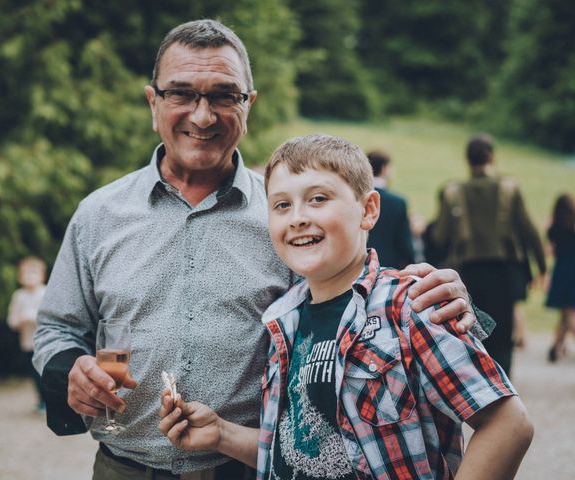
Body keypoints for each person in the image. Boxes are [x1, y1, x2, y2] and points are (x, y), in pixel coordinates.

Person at [33, 20, 491, 479]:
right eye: (181, 93)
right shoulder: (99, 213)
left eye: (223, 95)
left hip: (247, 467)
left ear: (248, 105)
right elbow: (58, 326)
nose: (202, 115)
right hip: (122, 468)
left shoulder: (283, 219)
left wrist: (443, 297)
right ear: (153, 102)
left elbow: (355, 298)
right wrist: (70, 370)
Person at [158, 134, 533, 480]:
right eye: (282, 205)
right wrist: (221, 434)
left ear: (368, 210)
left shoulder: (410, 305)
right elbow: (296, 452)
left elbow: (508, 425)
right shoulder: (282, 324)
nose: (299, 217)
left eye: (318, 198)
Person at [430, 134, 546, 375]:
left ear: (467, 159)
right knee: (503, 331)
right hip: (504, 271)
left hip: (468, 273)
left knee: (473, 327)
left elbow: (440, 236)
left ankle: (480, 381)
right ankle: (505, 382)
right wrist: (542, 267)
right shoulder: (508, 188)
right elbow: (529, 230)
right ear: (491, 156)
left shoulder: (453, 192)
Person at [7, 256, 47, 412]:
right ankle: (42, 400)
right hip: (28, 343)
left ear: (42, 276)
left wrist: (29, 316)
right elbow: (12, 319)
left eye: (34, 273)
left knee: (47, 372)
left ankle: (52, 399)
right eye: (26, 273)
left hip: (45, 342)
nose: (30, 277)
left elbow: (48, 316)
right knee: (35, 374)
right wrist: (18, 321)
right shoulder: (18, 296)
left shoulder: (45, 293)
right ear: (20, 276)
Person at [366, 150, 415, 269]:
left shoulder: (357, 199)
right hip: (389, 268)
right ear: (384, 168)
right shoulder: (397, 202)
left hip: (361, 265)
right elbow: (404, 242)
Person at [546, 193, 575, 362]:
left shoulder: (555, 228)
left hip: (562, 273)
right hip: (572, 272)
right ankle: (556, 347)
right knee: (566, 314)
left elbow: (551, 250)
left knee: (568, 313)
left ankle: (556, 347)